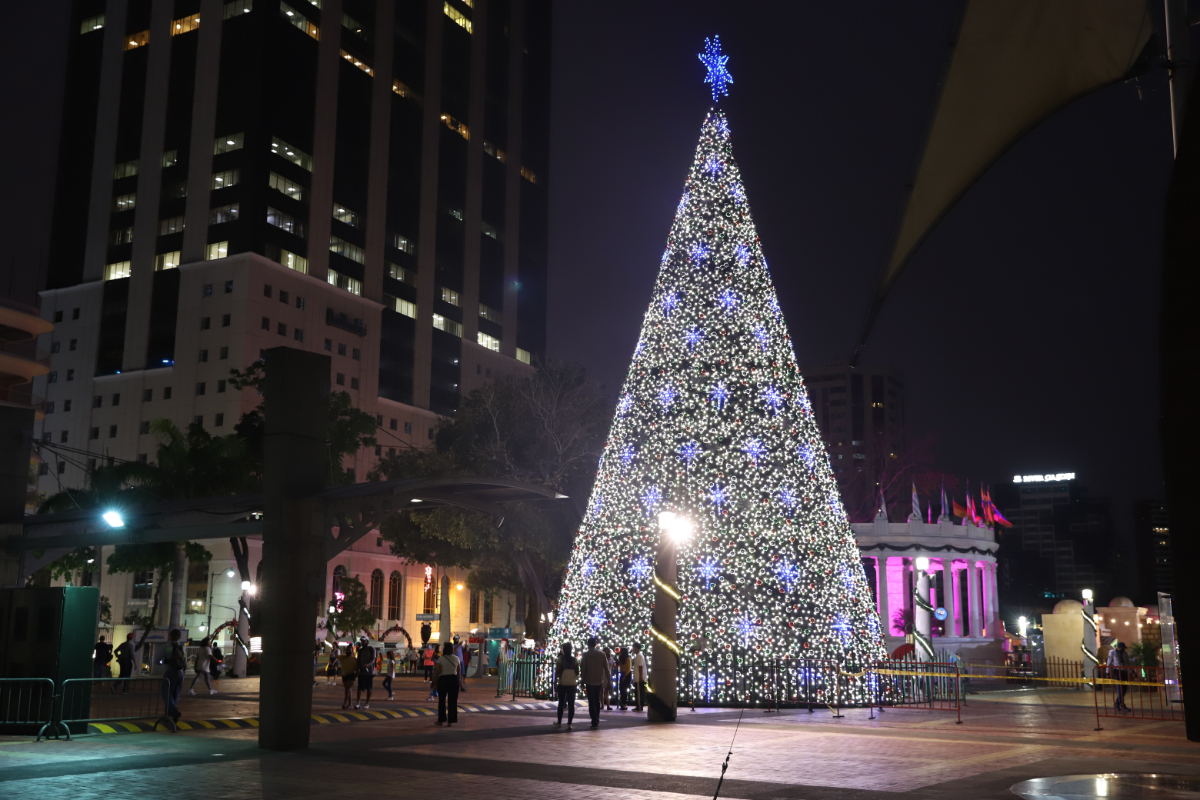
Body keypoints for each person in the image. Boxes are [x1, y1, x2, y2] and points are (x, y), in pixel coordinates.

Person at [579, 637, 609, 729]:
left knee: (591, 701)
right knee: (597, 700)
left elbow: (583, 668)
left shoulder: (586, 655)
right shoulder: (602, 654)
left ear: (588, 644)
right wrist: (609, 680)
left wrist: (582, 681)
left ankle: (594, 719)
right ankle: (597, 718)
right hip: (599, 680)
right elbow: (606, 669)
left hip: (589, 680)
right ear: (595, 644)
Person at [160, 629, 187, 723]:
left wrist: (163, 662)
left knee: (166, 693)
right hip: (180, 673)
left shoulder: (166, 646)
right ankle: (170, 715)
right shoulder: (182, 647)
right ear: (179, 637)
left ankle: (173, 711)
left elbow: (157, 661)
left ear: (170, 636)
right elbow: (185, 661)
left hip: (169, 672)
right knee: (176, 694)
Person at [553, 642, 579, 731]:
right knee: (571, 704)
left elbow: (558, 671)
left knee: (561, 703)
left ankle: (559, 722)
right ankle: (569, 723)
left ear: (563, 649)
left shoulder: (560, 659)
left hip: (562, 683)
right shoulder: (574, 660)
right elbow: (577, 672)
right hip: (572, 684)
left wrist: (555, 682)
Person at [434, 642, 461, 726]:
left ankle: (441, 720)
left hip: (443, 680)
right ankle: (450, 721)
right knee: (452, 701)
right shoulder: (456, 658)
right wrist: (459, 682)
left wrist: (434, 683)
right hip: (454, 679)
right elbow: (459, 672)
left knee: (441, 701)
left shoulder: (441, 659)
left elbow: (437, 672)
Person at [1108, 641, 1131, 712]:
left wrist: (1131, 670)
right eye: (1122, 648)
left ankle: (1117, 704)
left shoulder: (1125, 653)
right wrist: (1107, 672)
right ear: (1118, 647)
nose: (1123, 649)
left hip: (1124, 671)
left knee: (1124, 689)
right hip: (1117, 671)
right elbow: (1109, 662)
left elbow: (1128, 662)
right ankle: (1122, 705)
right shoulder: (1113, 653)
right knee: (1119, 688)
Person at [355, 636, 376, 709]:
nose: (362, 642)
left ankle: (367, 703)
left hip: (370, 672)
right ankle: (358, 703)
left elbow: (373, 659)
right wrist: (357, 670)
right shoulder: (360, 650)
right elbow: (358, 661)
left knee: (369, 688)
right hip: (362, 672)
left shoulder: (371, 649)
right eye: (361, 641)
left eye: (364, 641)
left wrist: (368, 664)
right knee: (359, 688)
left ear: (367, 641)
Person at [339, 644, 359, 710]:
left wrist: (356, 674)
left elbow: (357, 667)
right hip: (344, 675)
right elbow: (337, 656)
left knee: (347, 689)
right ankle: (350, 704)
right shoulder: (343, 658)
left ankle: (344, 703)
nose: (348, 651)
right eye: (347, 650)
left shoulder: (354, 659)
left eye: (349, 650)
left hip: (351, 675)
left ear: (352, 651)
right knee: (349, 689)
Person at [630, 643, 647, 712]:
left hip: (638, 677)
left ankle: (639, 705)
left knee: (639, 693)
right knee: (638, 692)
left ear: (637, 648)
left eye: (633, 647)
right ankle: (639, 705)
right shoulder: (639, 655)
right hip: (638, 677)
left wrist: (640, 677)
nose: (633, 649)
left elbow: (640, 666)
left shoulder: (639, 656)